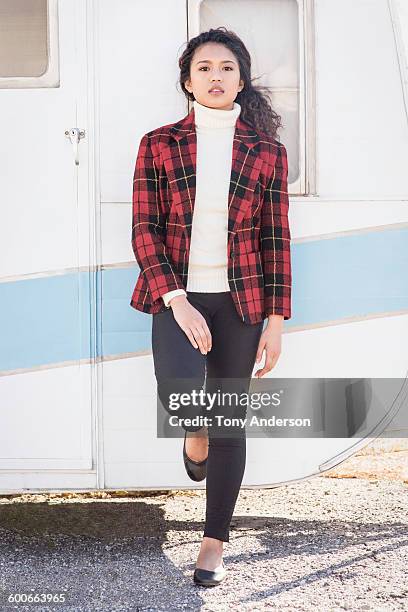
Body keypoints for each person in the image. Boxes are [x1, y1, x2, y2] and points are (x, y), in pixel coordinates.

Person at [130, 27, 292, 587]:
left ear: (241, 80)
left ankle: (213, 544)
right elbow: (144, 230)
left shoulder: (266, 151)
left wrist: (275, 321)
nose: (215, 76)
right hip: (175, 295)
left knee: (229, 423)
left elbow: (276, 237)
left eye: (226, 67)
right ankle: (191, 439)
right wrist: (176, 299)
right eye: (204, 68)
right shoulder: (158, 143)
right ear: (187, 81)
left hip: (242, 301)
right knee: (182, 404)